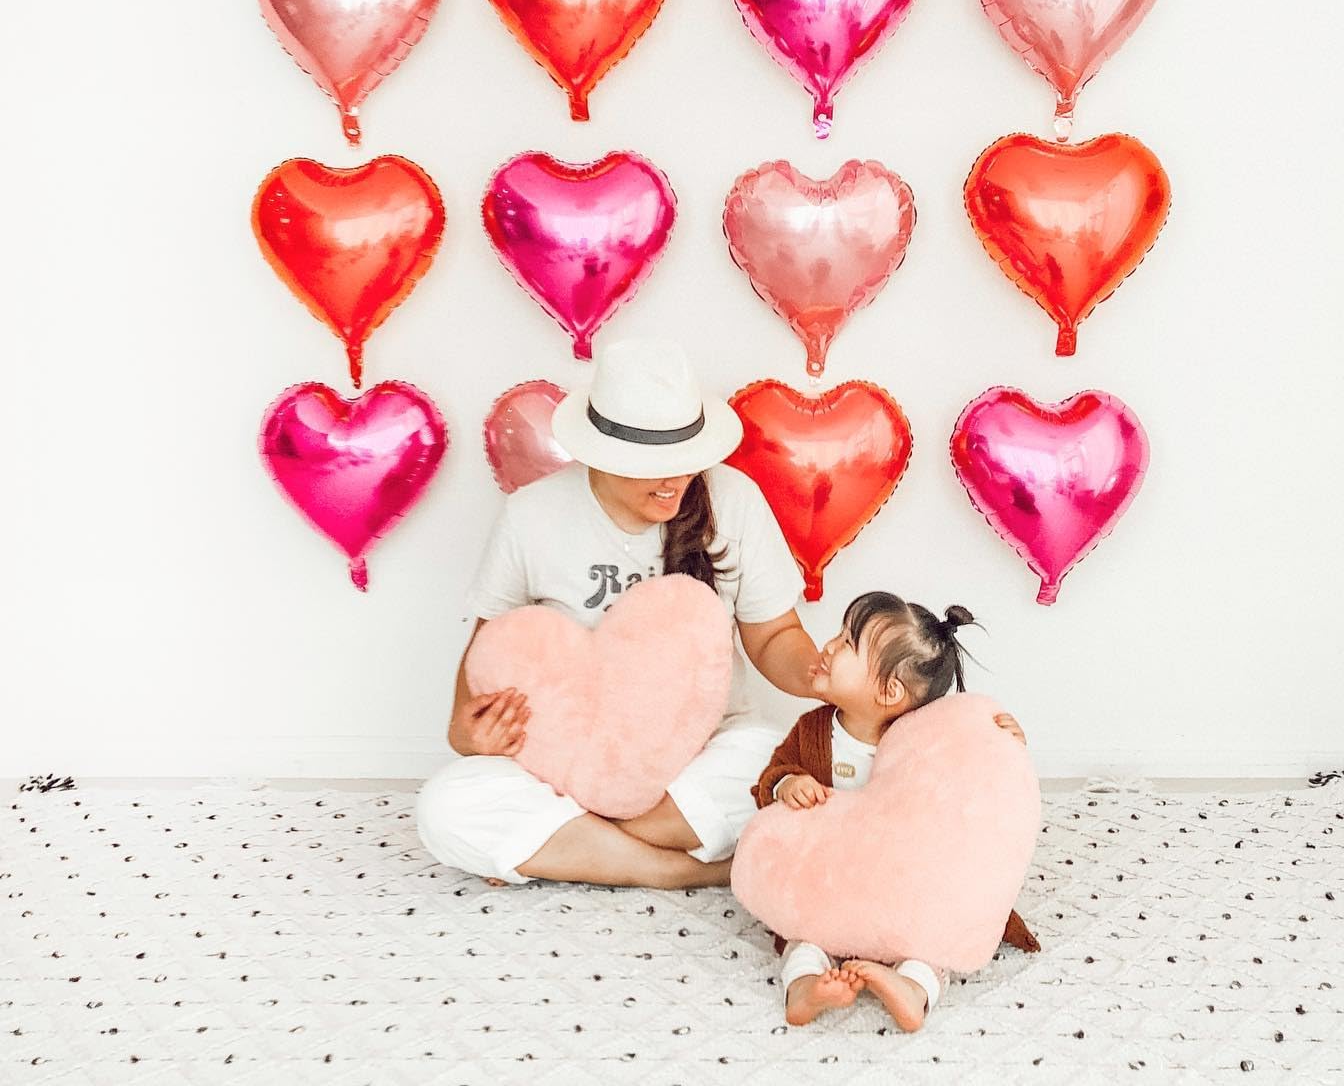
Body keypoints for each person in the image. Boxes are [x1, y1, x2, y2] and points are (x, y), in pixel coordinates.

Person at [416, 338, 823, 889]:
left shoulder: (735, 499)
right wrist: (470, 736)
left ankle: (576, 848)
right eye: (652, 465)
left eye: (685, 459)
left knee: (773, 763)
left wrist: (817, 675)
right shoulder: (532, 515)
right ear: (599, 456)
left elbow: (774, 635)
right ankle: (675, 869)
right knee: (446, 806)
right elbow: (483, 666)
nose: (675, 480)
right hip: (564, 765)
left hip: (704, 750)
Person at [751, 591, 1040, 1031]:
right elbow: (771, 777)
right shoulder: (814, 731)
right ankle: (805, 986)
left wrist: (1002, 743)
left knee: (932, 947)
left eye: (847, 643)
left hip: (900, 890)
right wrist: (788, 783)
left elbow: (970, 789)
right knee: (803, 938)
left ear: (888, 690)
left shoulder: (927, 741)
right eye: (838, 635)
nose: (828, 646)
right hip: (836, 883)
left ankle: (912, 988)